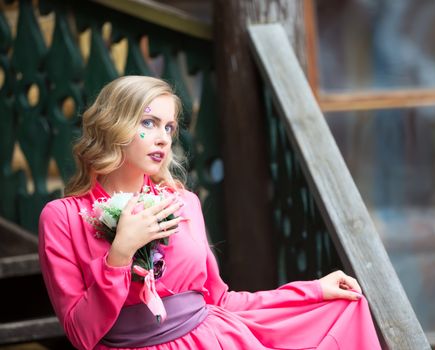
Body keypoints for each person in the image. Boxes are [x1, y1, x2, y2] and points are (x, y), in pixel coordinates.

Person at [39, 75, 381, 350]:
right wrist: (120, 254)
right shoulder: (61, 217)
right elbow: (80, 336)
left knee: (339, 312)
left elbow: (219, 300)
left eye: (169, 127)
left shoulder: (184, 203)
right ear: (114, 125)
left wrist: (313, 291)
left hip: (214, 340)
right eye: (149, 123)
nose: (163, 138)